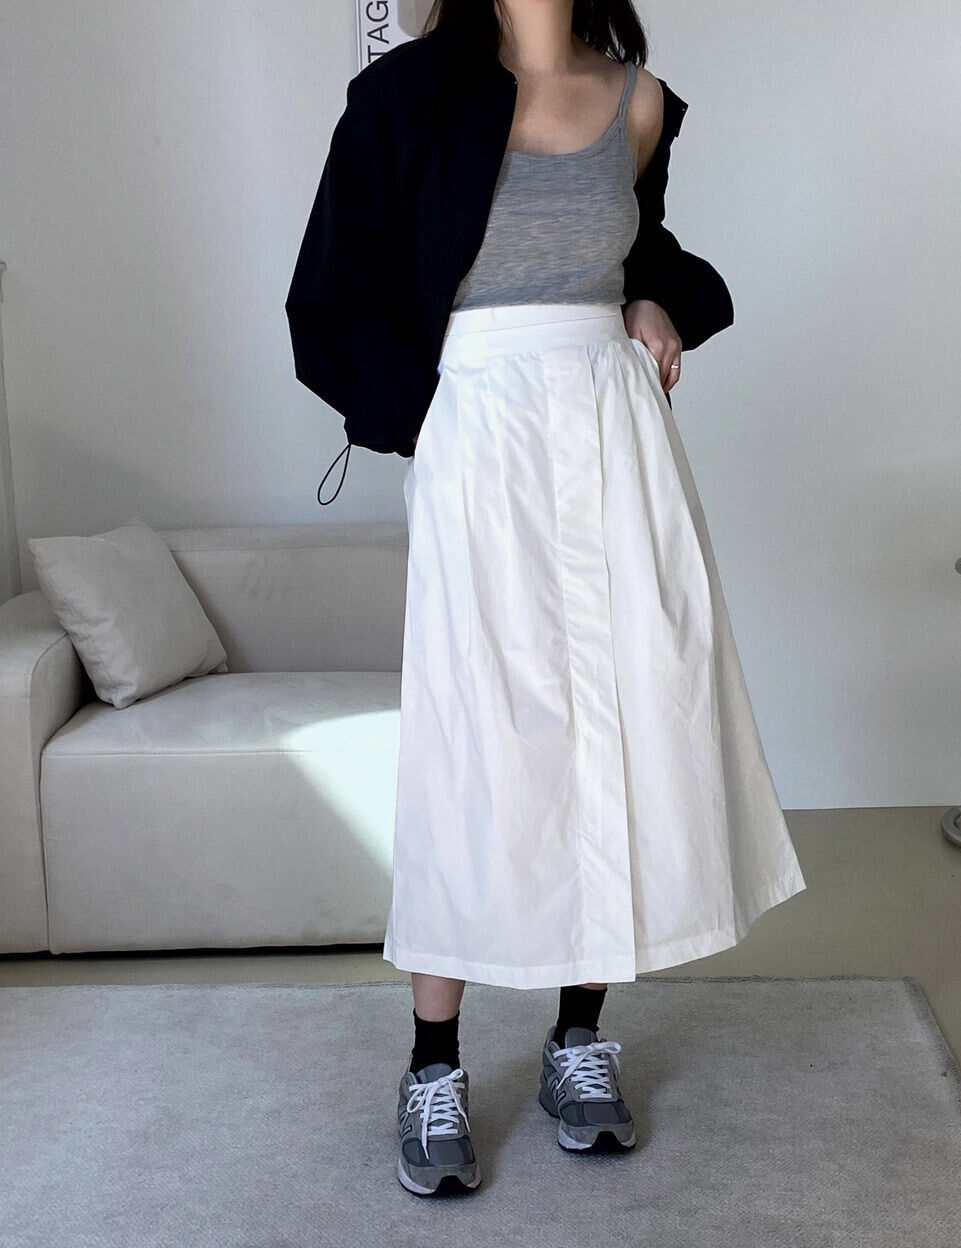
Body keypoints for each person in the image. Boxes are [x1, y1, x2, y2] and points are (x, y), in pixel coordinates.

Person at [286, 0, 807, 1198]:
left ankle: (578, 1039)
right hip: (481, 439)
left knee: (623, 721)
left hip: (616, 432)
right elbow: (330, 288)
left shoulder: (639, 102)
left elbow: (641, 250)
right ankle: (432, 1062)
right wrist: (420, 418)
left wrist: (654, 302)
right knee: (477, 740)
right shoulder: (404, 97)